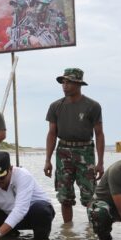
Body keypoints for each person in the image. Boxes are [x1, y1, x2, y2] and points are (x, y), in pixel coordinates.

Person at [44, 68, 105, 223]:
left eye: (69, 82)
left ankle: (92, 231)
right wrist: (47, 160)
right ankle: (68, 233)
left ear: (78, 84)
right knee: (64, 196)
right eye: (63, 82)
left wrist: (100, 162)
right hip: (63, 150)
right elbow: (52, 133)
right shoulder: (55, 106)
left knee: (90, 195)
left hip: (85, 150)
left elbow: (99, 134)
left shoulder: (92, 106)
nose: (65, 85)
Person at [0, 151, 55, 240]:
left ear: (10, 169)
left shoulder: (23, 176)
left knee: (40, 210)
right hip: (8, 216)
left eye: (2, 177)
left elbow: (20, 210)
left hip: (32, 215)